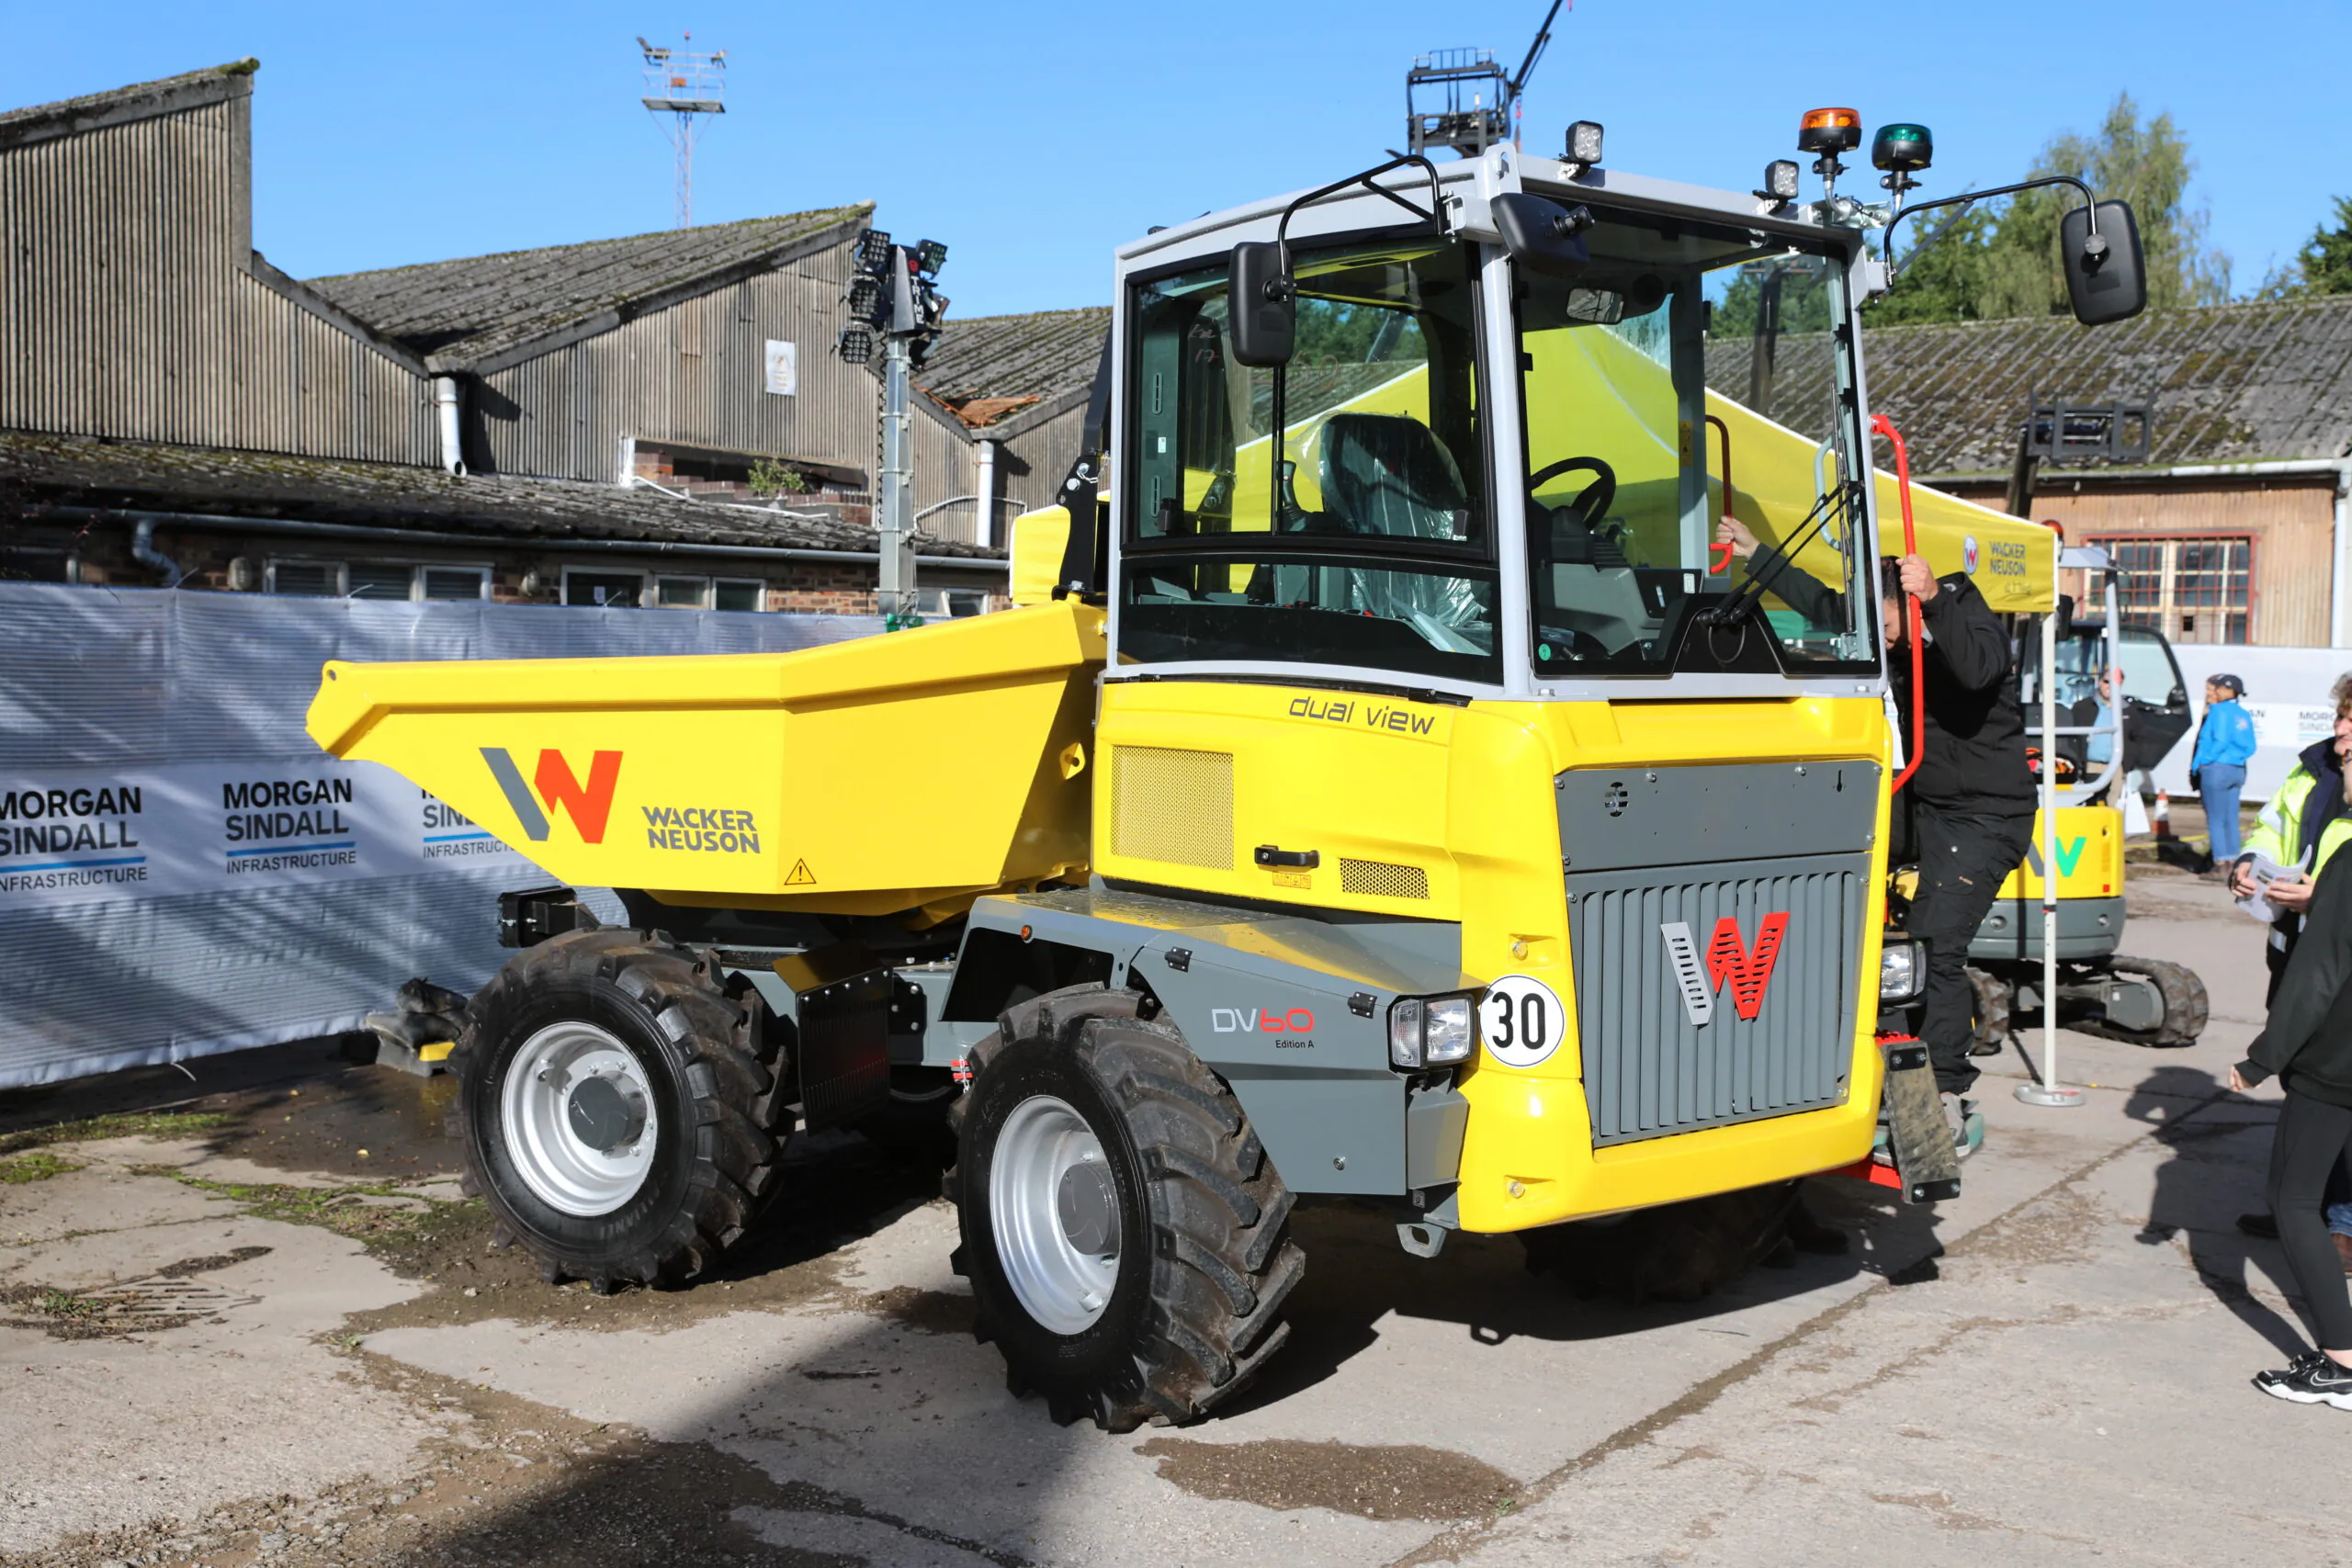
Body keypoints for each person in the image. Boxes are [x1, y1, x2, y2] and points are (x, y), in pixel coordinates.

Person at [1719, 517, 2030, 1157]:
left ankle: (1945, 1091)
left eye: (1887, 623)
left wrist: (1935, 601)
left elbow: (1977, 672)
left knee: (1936, 944)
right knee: (1830, 882)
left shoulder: (1969, 621)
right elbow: (1824, 605)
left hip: (1984, 816)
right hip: (1923, 802)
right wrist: (1757, 554)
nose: (1881, 639)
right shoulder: (1889, 626)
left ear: (1912, 603)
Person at [2228, 675, 2352, 1267]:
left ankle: (2341, 1223)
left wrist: (2321, 897)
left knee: (2338, 1085)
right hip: (2296, 945)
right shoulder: (2312, 768)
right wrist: (2251, 862)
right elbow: (2273, 824)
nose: (2341, 728)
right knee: (2304, 1073)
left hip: (2337, 956)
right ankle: (2301, 1203)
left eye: (2351, 719)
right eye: (2341, 716)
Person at [2233, 827, 2352, 1408]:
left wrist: (2263, 1058)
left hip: (2338, 1066)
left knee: (2295, 1200)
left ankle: (2342, 1363)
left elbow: (2319, 971)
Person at [2191, 674, 2257, 876]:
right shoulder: (2242, 714)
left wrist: (2202, 763)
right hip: (2237, 768)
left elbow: (2218, 740)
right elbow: (2251, 745)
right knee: (2230, 817)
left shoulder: (2218, 711)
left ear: (2228, 690)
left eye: (2218, 688)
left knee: (2216, 818)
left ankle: (2220, 862)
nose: (2215, 692)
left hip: (2217, 768)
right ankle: (2233, 861)